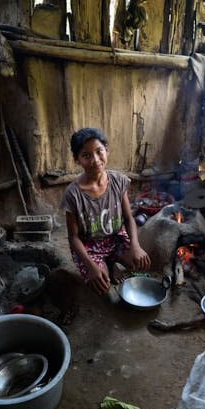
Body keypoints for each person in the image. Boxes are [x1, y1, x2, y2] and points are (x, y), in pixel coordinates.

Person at [62, 127, 151, 296]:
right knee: (102, 285)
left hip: (115, 239)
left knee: (139, 263)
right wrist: (91, 266)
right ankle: (106, 265)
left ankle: (111, 261)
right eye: (86, 155)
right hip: (90, 247)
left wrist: (135, 246)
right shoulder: (73, 194)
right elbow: (73, 238)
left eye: (99, 151)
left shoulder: (117, 181)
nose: (95, 160)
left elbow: (128, 218)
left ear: (106, 150)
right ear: (77, 160)